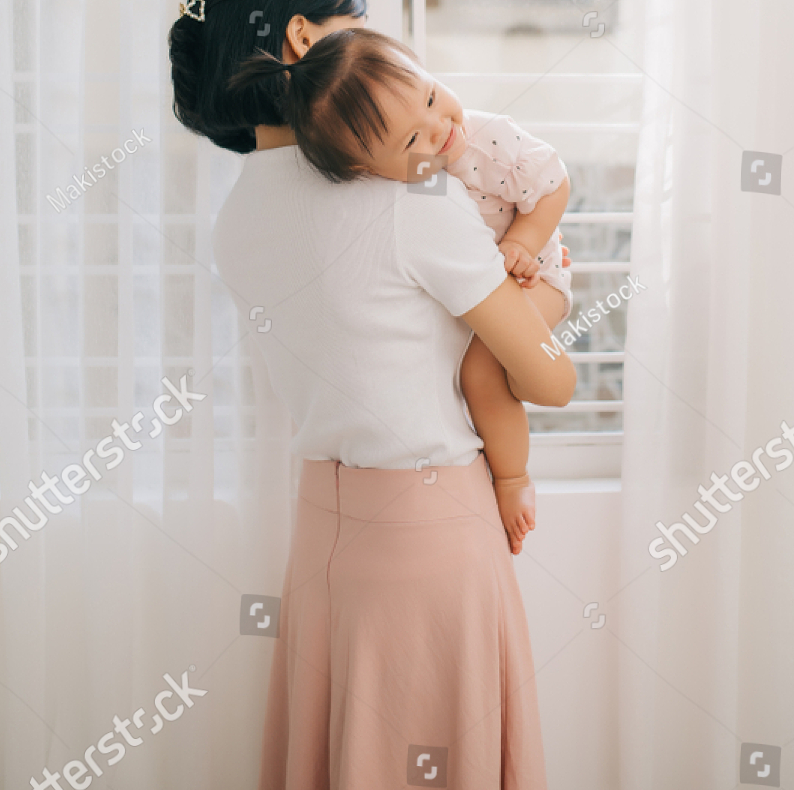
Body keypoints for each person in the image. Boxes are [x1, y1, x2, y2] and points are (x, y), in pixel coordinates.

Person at [169, 0, 573, 790]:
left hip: (324, 536)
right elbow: (545, 382)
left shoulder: (237, 216)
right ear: (305, 37)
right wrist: (550, 291)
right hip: (433, 540)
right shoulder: (406, 205)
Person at [231, 27, 572, 556]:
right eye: (411, 141)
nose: (440, 129)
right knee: (483, 374)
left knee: (484, 374)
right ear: (368, 173)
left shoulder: (489, 138)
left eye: (433, 97)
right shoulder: (400, 195)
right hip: (501, 284)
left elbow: (554, 182)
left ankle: (512, 479)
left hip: (539, 274)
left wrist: (527, 242)